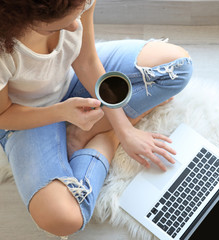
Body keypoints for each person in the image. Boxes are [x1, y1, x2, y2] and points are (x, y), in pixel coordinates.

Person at [0, 0, 192, 237]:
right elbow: (3, 116)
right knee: (62, 218)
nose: (74, 26)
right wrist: (62, 112)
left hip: (72, 76)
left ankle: (89, 133)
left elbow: (87, 60)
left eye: (78, 15)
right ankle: (106, 139)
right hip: (27, 114)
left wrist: (125, 130)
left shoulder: (76, 2)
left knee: (178, 67)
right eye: (55, 28)